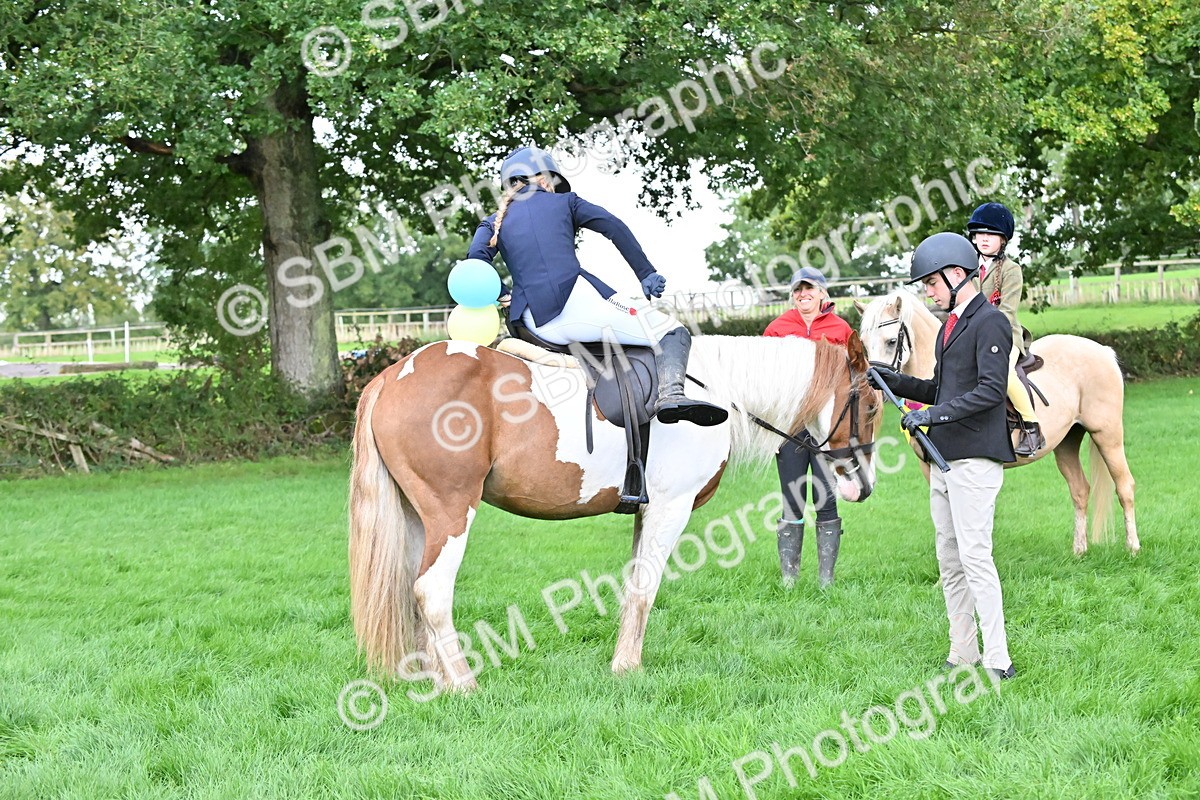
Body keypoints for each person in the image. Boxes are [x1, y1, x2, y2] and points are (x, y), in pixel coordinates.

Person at [467, 145, 726, 427]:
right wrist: (645, 273)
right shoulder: (567, 202)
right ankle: (671, 395)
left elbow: (475, 262)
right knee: (671, 331)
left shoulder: (493, 221)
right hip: (576, 305)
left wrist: (505, 296)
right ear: (543, 179)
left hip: (531, 325)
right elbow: (613, 226)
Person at [869, 232, 1017, 680]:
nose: (927, 292)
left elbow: (991, 391)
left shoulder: (990, 322)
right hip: (943, 457)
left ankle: (998, 659)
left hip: (975, 457)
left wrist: (932, 414)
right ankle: (963, 651)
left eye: (931, 283)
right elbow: (940, 388)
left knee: (975, 557)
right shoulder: (950, 325)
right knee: (949, 559)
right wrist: (890, 380)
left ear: (956, 274)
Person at [763, 266, 852, 589]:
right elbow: (765, 381)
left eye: (810, 289)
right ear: (793, 295)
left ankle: (826, 580)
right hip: (790, 427)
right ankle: (789, 579)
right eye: (798, 290)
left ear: (823, 293)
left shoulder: (841, 329)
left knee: (826, 498)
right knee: (792, 497)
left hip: (827, 429)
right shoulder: (777, 328)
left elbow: (850, 381)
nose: (804, 295)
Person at [967, 202, 1044, 457]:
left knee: (1005, 373)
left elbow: (1007, 311)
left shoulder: (1012, 271)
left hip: (1003, 336)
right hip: (969, 336)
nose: (984, 238)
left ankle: (1031, 426)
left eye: (991, 234)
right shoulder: (966, 268)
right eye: (979, 233)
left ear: (1003, 239)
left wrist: (980, 330)